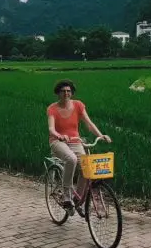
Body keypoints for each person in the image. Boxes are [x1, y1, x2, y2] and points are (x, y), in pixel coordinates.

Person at [47, 79, 111, 210]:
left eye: (68, 91)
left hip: (75, 140)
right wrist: (59, 135)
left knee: (86, 167)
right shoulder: (52, 108)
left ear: (72, 93)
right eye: (63, 91)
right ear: (58, 93)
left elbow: (89, 123)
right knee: (71, 159)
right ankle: (66, 196)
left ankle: (78, 198)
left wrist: (100, 135)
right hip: (58, 142)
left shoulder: (78, 105)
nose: (66, 93)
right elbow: (51, 128)